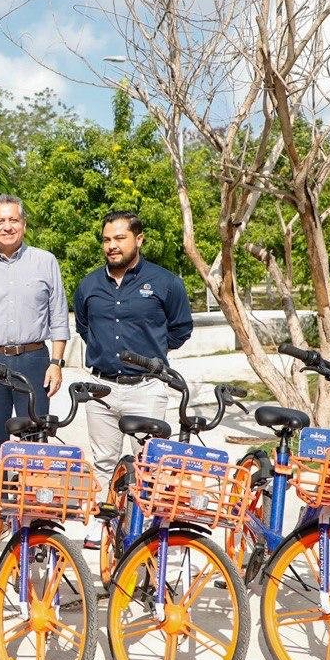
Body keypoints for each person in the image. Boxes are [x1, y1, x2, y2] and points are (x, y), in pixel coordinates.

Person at [73, 209, 193, 548]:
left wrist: (152, 352)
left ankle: (145, 528)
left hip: (146, 388)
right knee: (104, 461)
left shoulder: (165, 282)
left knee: (148, 464)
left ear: (138, 239)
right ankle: (103, 523)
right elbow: (84, 327)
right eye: (106, 240)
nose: (112, 246)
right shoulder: (89, 285)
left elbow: (181, 328)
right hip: (101, 389)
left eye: (119, 238)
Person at [0, 194, 70, 545]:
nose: (7, 226)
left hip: (34, 359)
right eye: (0, 221)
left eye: (13, 220)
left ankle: (35, 517)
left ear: (24, 224)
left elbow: (58, 316)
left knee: (36, 440)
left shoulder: (45, 261)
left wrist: (56, 362)